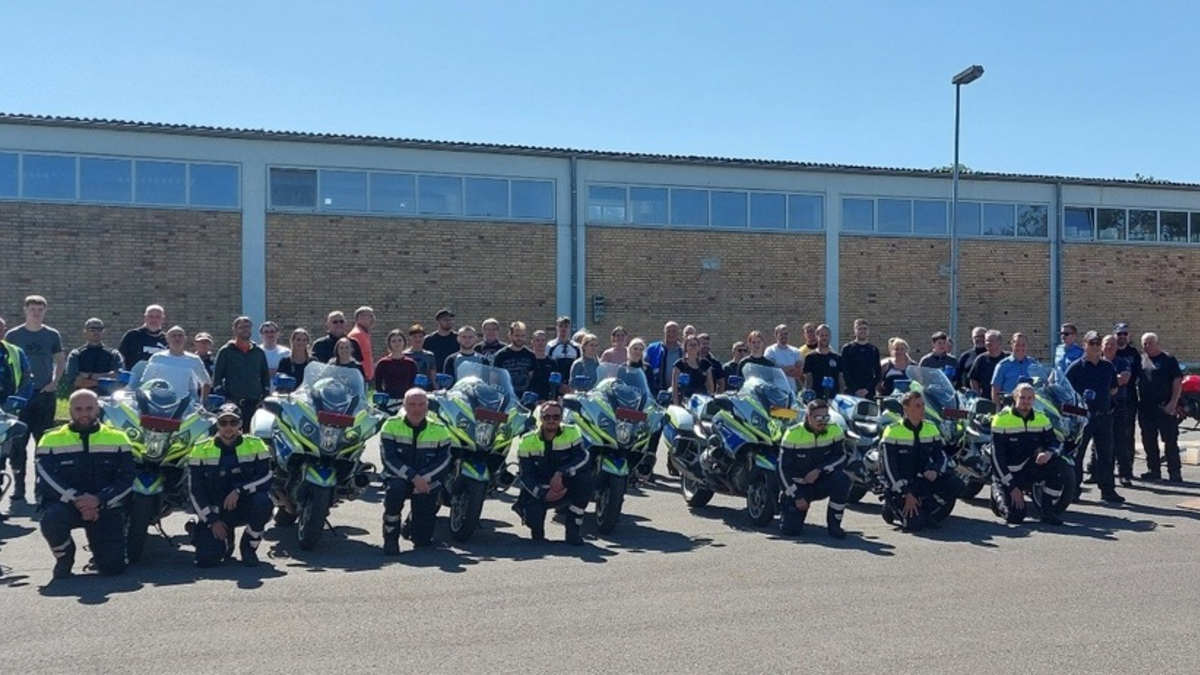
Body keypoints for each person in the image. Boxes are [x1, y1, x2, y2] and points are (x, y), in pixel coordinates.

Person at [36, 389, 134, 578]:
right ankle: (64, 557)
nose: (84, 413)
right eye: (78, 409)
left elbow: (127, 479)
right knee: (51, 519)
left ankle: (100, 552)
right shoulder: (50, 439)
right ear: (70, 410)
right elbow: (48, 478)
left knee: (113, 569)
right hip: (66, 505)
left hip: (105, 506)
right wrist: (79, 500)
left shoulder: (118, 437)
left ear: (98, 409)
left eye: (89, 408)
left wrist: (99, 500)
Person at [186, 404, 273, 567]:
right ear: (217, 424)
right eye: (223, 423)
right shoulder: (200, 449)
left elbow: (266, 477)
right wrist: (212, 520)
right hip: (216, 511)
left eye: (233, 423)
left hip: (244, 505)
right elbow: (194, 490)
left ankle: (248, 547)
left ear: (240, 424)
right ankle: (214, 537)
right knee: (206, 560)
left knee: (263, 502)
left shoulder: (255, 444)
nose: (228, 427)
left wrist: (239, 490)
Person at [379, 388, 452, 554]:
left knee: (422, 542)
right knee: (395, 491)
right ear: (404, 405)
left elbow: (444, 461)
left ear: (427, 406)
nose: (416, 409)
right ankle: (390, 539)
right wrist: (413, 477)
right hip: (398, 476)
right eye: (412, 404)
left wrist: (424, 478)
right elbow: (389, 459)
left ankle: (412, 525)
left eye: (421, 404)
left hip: (427, 480)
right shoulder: (390, 425)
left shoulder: (440, 429)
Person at [6, 296, 65, 500]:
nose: (36, 313)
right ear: (25, 310)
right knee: (17, 445)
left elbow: (60, 360)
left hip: (44, 396)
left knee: (43, 445)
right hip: (21, 399)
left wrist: (54, 382)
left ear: (44, 311)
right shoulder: (14, 335)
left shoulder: (51, 335)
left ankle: (42, 489)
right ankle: (19, 488)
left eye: (40, 309)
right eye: (33, 309)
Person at [879, 390, 963, 532]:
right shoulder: (892, 431)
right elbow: (888, 468)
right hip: (901, 483)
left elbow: (941, 456)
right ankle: (891, 506)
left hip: (921, 479)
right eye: (917, 406)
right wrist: (906, 493)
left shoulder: (930, 427)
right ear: (906, 409)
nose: (922, 409)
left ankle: (926, 511)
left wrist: (935, 470)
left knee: (955, 483)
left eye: (923, 405)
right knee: (915, 526)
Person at [989, 383, 1073, 525]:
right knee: (1015, 518)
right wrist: (1012, 486)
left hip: (1028, 469)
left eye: (1029, 398)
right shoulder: (1001, 419)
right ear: (1015, 397)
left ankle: (1047, 510)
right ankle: (997, 490)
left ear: (1034, 399)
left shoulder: (1041, 418)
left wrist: (1048, 453)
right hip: (1007, 474)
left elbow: (1056, 443)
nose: (1026, 401)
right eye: (1022, 397)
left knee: (1061, 464)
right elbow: (997, 457)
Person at [513, 400, 591, 545]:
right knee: (535, 528)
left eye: (556, 417)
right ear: (540, 418)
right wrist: (542, 494)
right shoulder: (527, 440)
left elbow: (583, 457)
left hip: (564, 485)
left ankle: (573, 531)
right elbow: (525, 475)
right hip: (540, 488)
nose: (551, 420)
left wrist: (562, 472)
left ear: (561, 418)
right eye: (547, 417)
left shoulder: (572, 432)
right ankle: (534, 526)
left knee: (585, 481)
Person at [777, 399, 850, 539]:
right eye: (818, 417)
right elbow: (781, 469)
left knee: (842, 479)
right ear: (807, 417)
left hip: (820, 482)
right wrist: (796, 496)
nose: (823, 421)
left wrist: (819, 470)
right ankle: (787, 502)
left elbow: (841, 457)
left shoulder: (834, 429)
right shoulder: (793, 434)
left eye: (826, 417)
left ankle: (834, 526)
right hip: (799, 486)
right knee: (791, 531)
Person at [1065, 331, 1122, 503]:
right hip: (1082, 418)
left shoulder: (1107, 367)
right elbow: (1066, 391)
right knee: (1078, 454)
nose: (1096, 346)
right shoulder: (1076, 367)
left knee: (1105, 454)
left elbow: (1114, 388)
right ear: (1084, 345)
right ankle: (1073, 490)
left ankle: (1108, 490)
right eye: (1092, 343)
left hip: (1104, 416)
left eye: (1098, 343)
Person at [1137, 333, 1183, 482]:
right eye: (1144, 344)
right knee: (1149, 441)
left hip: (1165, 407)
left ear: (1157, 344)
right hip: (1146, 408)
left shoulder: (1168, 360)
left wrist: (1173, 403)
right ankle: (1154, 471)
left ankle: (1174, 472)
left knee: (1170, 441)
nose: (1147, 346)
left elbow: (1177, 381)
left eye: (1150, 343)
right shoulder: (1141, 360)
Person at [211, 317, 270, 431]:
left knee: (252, 438)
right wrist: (225, 399)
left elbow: (265, 377)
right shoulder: (225, 351)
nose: (245, 330)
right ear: (234, 330)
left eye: (247, 327)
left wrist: (264, 397)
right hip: (232, 406)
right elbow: (216, 378)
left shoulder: (258, 352)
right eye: (241, 327)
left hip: (254, 405)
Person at [0, 317, 35, 500]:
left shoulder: (14, 352)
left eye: (0, 328)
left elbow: (27, 380)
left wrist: (18, 402)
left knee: (2, 457)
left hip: (6, 414)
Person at [136, 325, 211, 398]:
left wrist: (203, 403)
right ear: (167, 339)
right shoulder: (157, 358)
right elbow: (146, 382)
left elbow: (206, 383)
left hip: (186, 406)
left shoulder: (194, 360)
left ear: (185, 339)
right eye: (173, 336)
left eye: (180, 335)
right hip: (160, 403)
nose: (177, 338)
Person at [1103, 334, 1135, 488]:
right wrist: (1113, 380)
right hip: (1101, 407)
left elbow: (1124, 379)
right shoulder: (1097, 362)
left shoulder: (1122, 362)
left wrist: (1103, 381)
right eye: (1106, 344)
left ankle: (1125, 475)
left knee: (1121, 442)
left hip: (1119, 405)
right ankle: (1098, 474)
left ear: (1116, 347)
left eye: (1112, 344)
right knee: (1100, 444)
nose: (1109, 347)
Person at [1113, 322, 1141, 482]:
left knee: (1127, 434)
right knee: (1109, 434)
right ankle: (1100, 469)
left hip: (1129, 399)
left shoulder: (1133, 353)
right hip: (1112, 400)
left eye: (1125, 334)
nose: (1122, 337)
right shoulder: (1111, 351)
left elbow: (1138, 374)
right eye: (1119, 334)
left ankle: (1127, 467)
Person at [65, 318, 123, 393]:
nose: (96, 332)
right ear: (85, 331)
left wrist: (89, 376)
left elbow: (117, 376)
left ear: (104, 331)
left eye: (99, 329)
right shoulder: (76, 354)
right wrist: (105, 381)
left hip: (107, 398)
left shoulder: (114, 354)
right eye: (92, 329)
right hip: (83, 398)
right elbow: (75, 381)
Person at [991, 333, 1037, 407]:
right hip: (1010, 407)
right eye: (1017, 345)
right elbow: (995, 390)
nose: (1020, 348)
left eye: (1023, 345)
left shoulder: (1033, 364)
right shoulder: (1003, 365)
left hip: (1031, 407)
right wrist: (997, 410)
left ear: (1027, 346)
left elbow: (1041, 384)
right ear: (1012, 345)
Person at [493, 321, 537, 395]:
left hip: (524, 397)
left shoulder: (530, 355)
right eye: (517, 335)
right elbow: (495, 378)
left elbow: (531, 377)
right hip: (507, 396)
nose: (520, 338)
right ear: (510, 335)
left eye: (522, 336)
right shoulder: (501, 355)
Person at [118, 304, 168, 369]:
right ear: (145, 318)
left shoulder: (167, 339)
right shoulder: (132, 335)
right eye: (150, 316)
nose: (154, 320)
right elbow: (121, 358)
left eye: (157, 317)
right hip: (135, 377)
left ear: (163, 319)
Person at [841, 319, 881, 397]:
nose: (862, 331)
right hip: (851, 392)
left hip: (868, 393)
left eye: (865, 328)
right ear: (854, 331)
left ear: (868, 330)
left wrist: (867, 389)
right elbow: (844, 372)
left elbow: (878, 373)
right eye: (859, 329)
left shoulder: (873, 350)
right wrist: (855, 389)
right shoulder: (847, 348)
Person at [374, 330, 419, 400]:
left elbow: (413, 384)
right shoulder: (383, 363)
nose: (397, 343)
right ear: (389, 343)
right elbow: (378, 385)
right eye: (394, 341)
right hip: (389, 400)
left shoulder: (411, 363)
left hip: (406, 400)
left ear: (404, 342)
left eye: (400, 340)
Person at [672, 335, 714, 405]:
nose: (693, 347)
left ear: (698, 347)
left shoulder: (705, 364)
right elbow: (674, 387)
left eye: (695, 345)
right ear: (685, 347)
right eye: (690, 345)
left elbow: (710, 385)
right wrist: (676, 404)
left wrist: (710, 400)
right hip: (684, 402)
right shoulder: (679, 365)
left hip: (702, 401)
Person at [803, 324, 842, 400]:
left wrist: (841, 397)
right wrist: (808, 397)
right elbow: (808, 380)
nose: (824, 338)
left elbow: (841, 380)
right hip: (816, 398)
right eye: (822, 335)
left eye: (826, 335)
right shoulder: (810, 357)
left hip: (833, 398)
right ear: (817, 336)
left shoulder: (837, 358)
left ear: (830, 337)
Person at [967, 330, 1008, 402]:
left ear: (999, 342)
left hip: (1006, 400)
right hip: (986, 401)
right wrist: (978, 396)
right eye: (986, 341)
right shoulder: (981, 359)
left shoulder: (1008, 359)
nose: (988, 343)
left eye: (991, 341)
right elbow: (973, 379)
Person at [645, 321, 683, 395]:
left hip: (679, 393)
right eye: (668, 331)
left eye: (674, 331)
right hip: (657, 392)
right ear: (664, 332)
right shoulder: (652, 349)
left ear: (678, 333)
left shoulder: (684, 351)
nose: (671, 334)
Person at [764, 324, 803, 390]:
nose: (784, 336)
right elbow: (771, 371)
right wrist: (791, 367)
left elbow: (799, 373)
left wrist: (780, 370)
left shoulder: (795, 351)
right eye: (781, 334)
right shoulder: (770, 351)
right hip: (776, 390)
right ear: (776, 336)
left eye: (786, 334)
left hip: (792, 391)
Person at [546, 316, 580, 385]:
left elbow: (579, 368)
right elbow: (548, 367)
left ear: (569, 328)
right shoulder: (550, 346)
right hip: (555, 385)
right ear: (557, 328)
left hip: (572, 385)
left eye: (566, 326)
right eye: (560, 326)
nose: (563, 329)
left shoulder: (577, 347)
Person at [424, 309, 459, 375]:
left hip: (454, 375)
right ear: (438, 322)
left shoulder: (458, 338)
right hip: (434, 377)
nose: (448, 322)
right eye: (445, 320)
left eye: (450, 319)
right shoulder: (429, 340)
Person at [527, 330, 558, 402]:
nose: (540, 343)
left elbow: (555, 385)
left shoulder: (552, 362)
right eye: (537, 340)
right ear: (532, 342)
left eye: (543, 340)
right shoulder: (527, 360)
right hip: (530, 399)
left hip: (547, 400)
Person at [347, 306, 376, 381]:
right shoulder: (357, 335)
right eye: (370, 316)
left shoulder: (363, 333)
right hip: (359, 378)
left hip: (363, 378)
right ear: (360, 318)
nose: (373, 319)